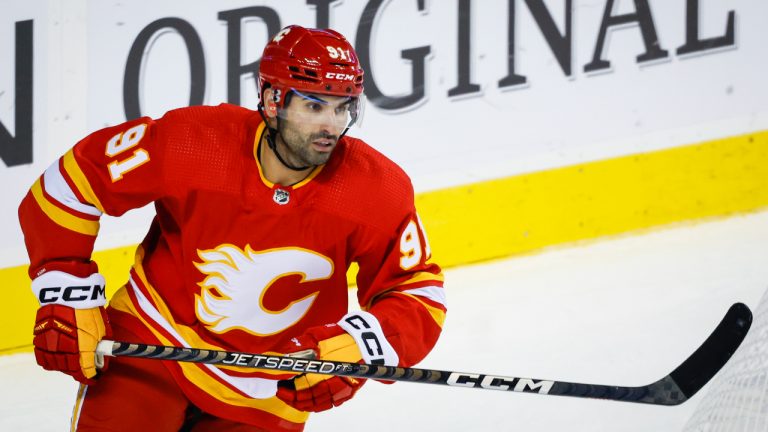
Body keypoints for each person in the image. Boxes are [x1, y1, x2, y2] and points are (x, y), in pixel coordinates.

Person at [19, 25, 446, 431]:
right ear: (273, 100)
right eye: (314, 106)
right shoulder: (192, 142)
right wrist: (66, 288)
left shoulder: (375, 189)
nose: (331, 126)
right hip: (154, 346)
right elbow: (70, 185)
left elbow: (416, 290)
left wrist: (360, 347)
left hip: (273, 384)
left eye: (343, 107)